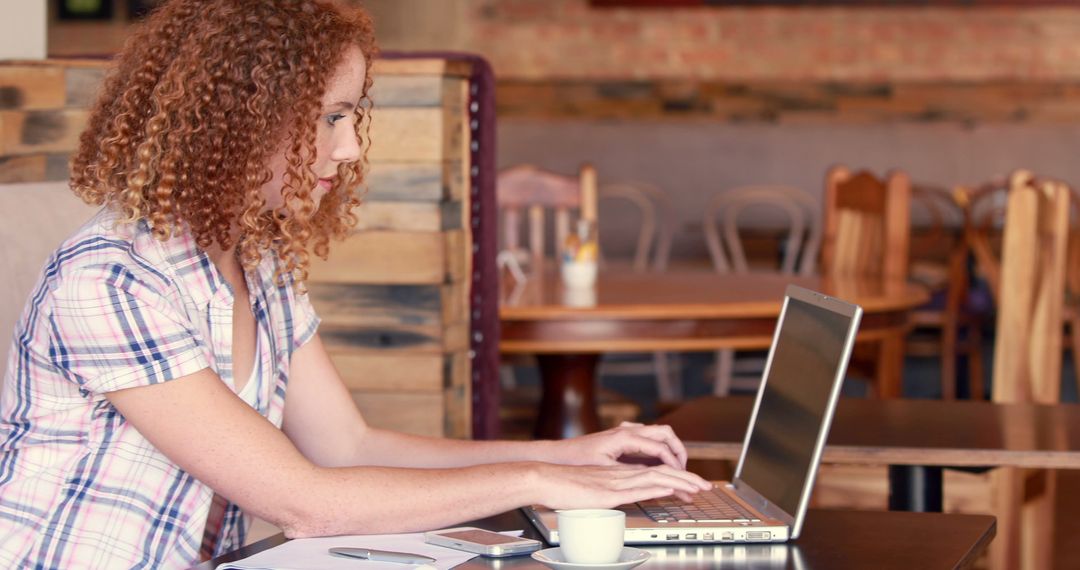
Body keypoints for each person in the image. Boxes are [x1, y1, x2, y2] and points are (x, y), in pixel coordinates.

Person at [0, 0, 711, 567]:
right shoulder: (112, 281)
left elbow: (348, 445)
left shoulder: (259, 260)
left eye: (350, 117)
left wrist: (563, 454)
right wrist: (537, 483)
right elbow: (307, 501)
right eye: (329, 118)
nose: (346, 148)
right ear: (236, 124)